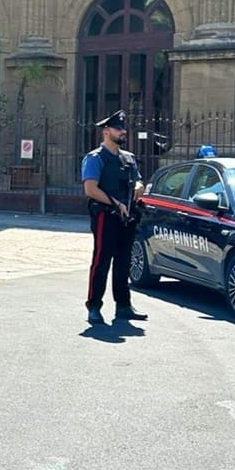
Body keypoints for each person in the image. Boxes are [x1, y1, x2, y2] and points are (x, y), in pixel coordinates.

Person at [81, 110, 146, 325]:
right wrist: (115, 203)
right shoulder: (95, 158)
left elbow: (138, 180)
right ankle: (94, 306)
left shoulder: (128, 158)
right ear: (106, 132)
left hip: (127, 217)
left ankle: (124, 306)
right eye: (118, 129)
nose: (123, 132)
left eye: (123, 128)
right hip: (105, 216)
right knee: (101, 261)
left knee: (124, 261)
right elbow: (90, 189)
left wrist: (139, 186)